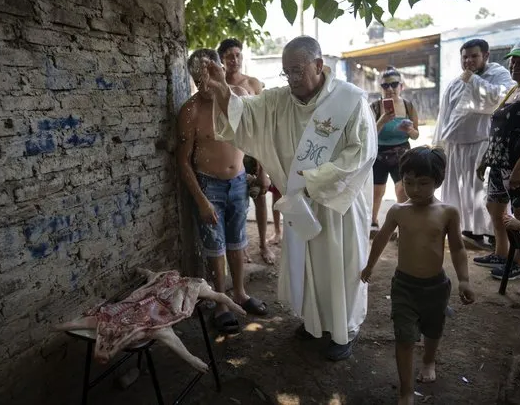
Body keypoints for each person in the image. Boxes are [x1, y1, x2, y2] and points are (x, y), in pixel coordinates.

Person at [203, 35, 378, 360]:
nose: (292, 79)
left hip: (337, 205)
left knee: (341, 269)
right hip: (302, 204)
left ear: (319, 65)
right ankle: (315, 324)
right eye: (287, 72)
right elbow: (246, 114)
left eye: (298, 71)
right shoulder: (280, 100)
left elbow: (362, 153)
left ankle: (345, 330)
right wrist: (222, 92)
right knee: (308, 267)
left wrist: (316, 181)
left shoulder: (350, 100)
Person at [361, 146, 475, 405]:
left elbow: (457, 247)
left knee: (433, 331)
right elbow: (380, 239)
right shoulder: (398, 211)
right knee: (404, 337)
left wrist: (464, 279)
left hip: (436, 287)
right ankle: (406, 390)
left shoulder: (448, 212)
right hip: (404, 286)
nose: (415, 190)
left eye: (423, 183)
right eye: (409, 182)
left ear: (437, 181)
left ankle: (429, 359)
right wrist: (369, 266)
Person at [177, 48, 268, 334]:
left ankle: (239, 292)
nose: (205, 84)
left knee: (238, 241)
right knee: (215, 247)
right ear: (192, 79)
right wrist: (201, 200)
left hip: (239, 181)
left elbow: (256, 135)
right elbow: (182, 161)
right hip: (208, 185)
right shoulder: (190, 110)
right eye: (198, 78)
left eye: (210, 75)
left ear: (219, 70)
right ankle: (221, 302)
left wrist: (262, 171)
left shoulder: (238, 97)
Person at [433, 39, 515, 250]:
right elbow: (445, 115)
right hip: (456, 146)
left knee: (484, 192)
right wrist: (439, 145)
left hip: (482, 145)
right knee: (462, 192)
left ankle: (495, 237)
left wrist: (473, 81)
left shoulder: (499, 75)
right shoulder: (454, 83)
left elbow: (500, 100)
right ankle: (469, 231)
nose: (468, 61)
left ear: (486, 56)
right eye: (465, 57)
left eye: (474, 56)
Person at [476, 36, 520, 281]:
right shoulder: (517, 89)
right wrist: (487, 158)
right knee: (494, 206)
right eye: (513, 61)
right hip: (500, 163)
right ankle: (501, 253)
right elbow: (501, 129)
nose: (515, 66)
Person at [217, 38, 275, 264]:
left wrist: (263, 165)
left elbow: (263, 123)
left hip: (253, 150)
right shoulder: (217, 85)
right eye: (229, 56)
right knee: (237, 201)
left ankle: (263, 245)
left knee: (260, 197)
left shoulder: (252, 84)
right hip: (230, 149)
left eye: (238, 55)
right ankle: (240, 247)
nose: (234, 59)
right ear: (221, 59)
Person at [370, 66, 419, 233]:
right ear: (380, 88)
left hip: (402, 153)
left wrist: (410, 131)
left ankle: (401, 225)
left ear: (401, 86)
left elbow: (416, 135)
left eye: (394, 84)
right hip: (378, 153)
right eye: (385, 86)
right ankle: (373, 221)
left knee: (402, 190)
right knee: (377, 192)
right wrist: (382, 121)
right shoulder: (375, 107)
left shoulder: (408, 106)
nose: (389, 89)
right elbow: (368, 135)